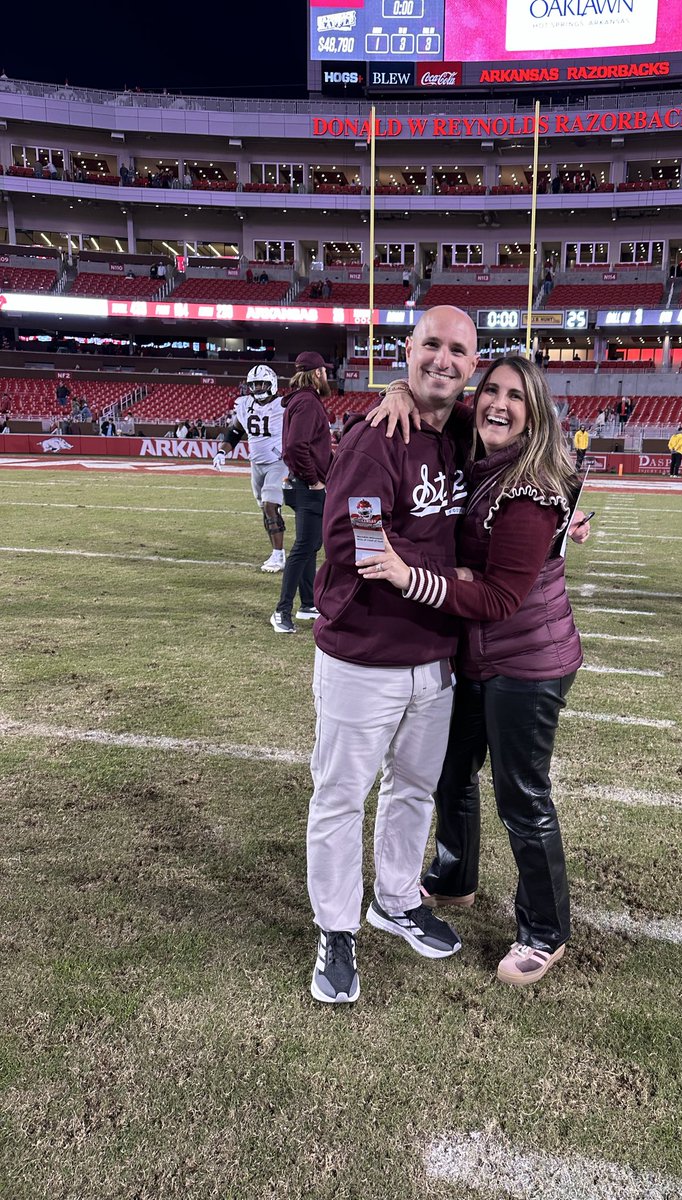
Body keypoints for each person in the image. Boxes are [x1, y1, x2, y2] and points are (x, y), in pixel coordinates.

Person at [359, 355, 585, 987]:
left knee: (522, 796)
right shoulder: (480, 444)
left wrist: (412, 577)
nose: (498, 404)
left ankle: (545, 930)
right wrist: (398, 388)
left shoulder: (531, 488)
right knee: (451, 772)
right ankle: (454, 877)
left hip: (527, 661)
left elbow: (499, 598)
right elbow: (436, 400)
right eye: (491, 391)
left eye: (515, 397)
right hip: (476, 654)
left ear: (535, 414)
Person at [304, 306, 480, 1005]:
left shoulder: (462, 430)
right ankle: (336, 927)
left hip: (434, 656)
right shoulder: (376, 437)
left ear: (472, 365)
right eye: (431, 345)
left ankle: (397, 899)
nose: (443, 359)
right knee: (341, 797)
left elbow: (528, 435)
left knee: (412, 790)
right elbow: (355, 542)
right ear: (408, 350)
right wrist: (450, 575)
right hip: (365, 654)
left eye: (457, 350)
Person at [270, 352, 333, 633]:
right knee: (304, 547)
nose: (327, 376)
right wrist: (313, 480)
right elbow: (296, 446)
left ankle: (307, 603)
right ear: (317, 373)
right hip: (307, 486)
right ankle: (281, 611)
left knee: (311, 544)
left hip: (302, 484)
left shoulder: (303, 400)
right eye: (325, 371)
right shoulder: (307, 402)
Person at [213, 364, 287, 573]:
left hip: (278, 462)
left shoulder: (284, 405)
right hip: (256, 464)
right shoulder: (245, 404)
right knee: (266, 509)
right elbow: (236, 431)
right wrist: (222, 452)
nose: (257, 388)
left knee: (270, 505)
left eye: (261, 384)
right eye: (254, 385)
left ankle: (278, 555)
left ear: (272, 383)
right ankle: (276, 552)